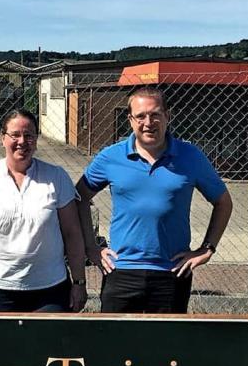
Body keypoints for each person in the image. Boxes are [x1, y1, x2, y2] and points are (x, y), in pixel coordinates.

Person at [76, 86, 233, 313]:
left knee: (167, 347)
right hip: (120, 270)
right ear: (130, 120)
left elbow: (223, 203)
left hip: (172, 271)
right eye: (140, 116)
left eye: (155, 114)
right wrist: (90, 247)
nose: (148, 122)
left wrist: (207, 248)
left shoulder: (190, 156)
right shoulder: (111, 157)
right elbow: (79, 198)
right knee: (113, 345)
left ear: (167, 116)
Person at [0, 109, 87, 313]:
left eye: (29, 135)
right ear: (2, 138)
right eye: (15, 135)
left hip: (49, 290)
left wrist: (78, 282)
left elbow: (72, 233)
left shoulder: (56, 177)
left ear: (36, 139)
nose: (22, 141)